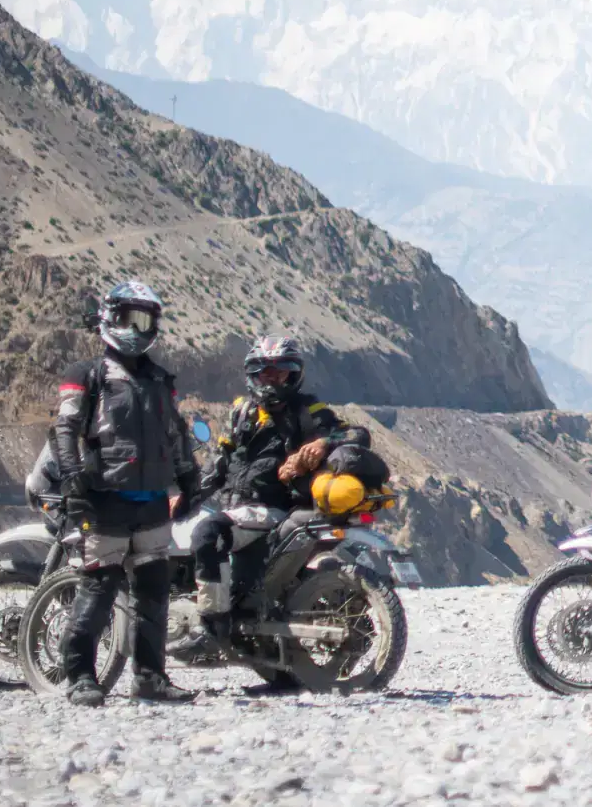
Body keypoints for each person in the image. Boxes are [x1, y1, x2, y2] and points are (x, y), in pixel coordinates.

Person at [51, 280, 202, 706]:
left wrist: (189, 477)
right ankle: (80, 677)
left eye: (146, 319)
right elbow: (65, 429)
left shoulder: (159, 378)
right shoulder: (87, 375)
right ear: (109, 318)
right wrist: (73, 479)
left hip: (152, 502)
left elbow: (176, 433)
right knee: (98, 592)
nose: (136, 329)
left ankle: (150, 677)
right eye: (128, 318)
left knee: (153, 595)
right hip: (105, 499)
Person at [189, 336, 365, 640]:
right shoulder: (241, 411)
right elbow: (220, 462)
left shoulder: (307, 410)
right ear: (253, 375)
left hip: (270, 509)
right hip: (237, 510)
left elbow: (356, 433)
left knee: (207, 533)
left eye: (280, 371)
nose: (272, 378)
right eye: (264, 371)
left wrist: (324, 442)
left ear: (293, 374)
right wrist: (184, 498)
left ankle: (212, 625)